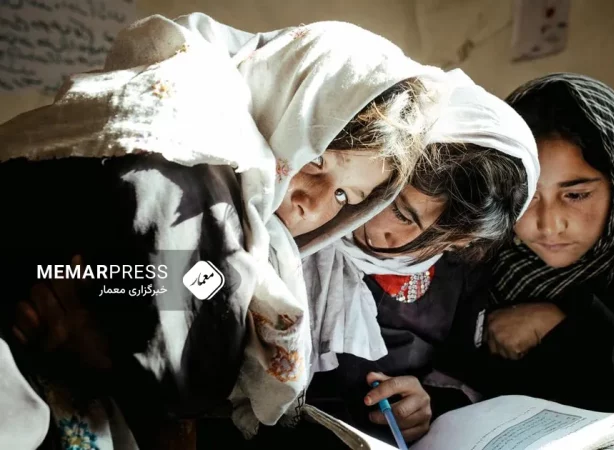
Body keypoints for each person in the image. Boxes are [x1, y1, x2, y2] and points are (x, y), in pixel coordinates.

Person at [0, 13, 447, 448]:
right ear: (286, 104)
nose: (313, 204)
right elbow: (172, 382)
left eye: (345, 196)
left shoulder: (259, 234)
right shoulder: (184, 181)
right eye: (316, 162)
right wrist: (101, 357)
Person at [298, 69, 539, 445]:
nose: (406, 245)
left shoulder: (460, 271)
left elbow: (462, 374)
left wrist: (426, 405)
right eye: (400, 210)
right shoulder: (302, 214)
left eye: (446, 243)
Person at [486, 73, 614, 448]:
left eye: (575, 195)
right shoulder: (489, 256)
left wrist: (566, 326)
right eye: (526, 196)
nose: (548, 224)